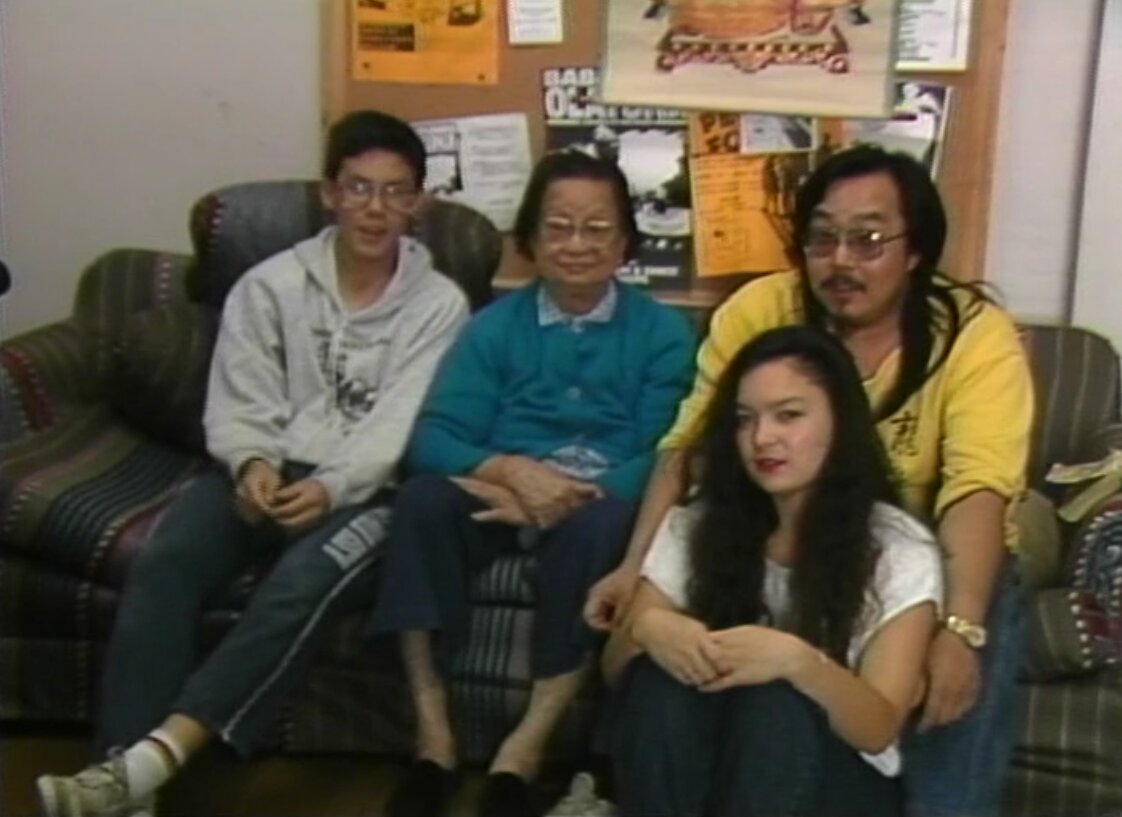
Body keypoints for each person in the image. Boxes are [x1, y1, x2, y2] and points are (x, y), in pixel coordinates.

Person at [36, 110, 471, 817]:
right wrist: (251, 463)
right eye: (359, 187)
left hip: (368, 494)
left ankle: (149, 763)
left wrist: (331, 487)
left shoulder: (440, 305)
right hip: (262, 472)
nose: (375, 208)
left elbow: (400, 422)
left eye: (395, 192)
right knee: (167, 557)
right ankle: (119, 782)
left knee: (297, 584)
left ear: (418, 204)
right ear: (329, 193)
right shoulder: (269, 285)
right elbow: (241, 395)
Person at [586, 145, 1034, 817]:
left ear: (916, 251)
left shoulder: (973, 334)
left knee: (973, 608)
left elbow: (978, 488)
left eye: (869, 239)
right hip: (769, 512)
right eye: (823, 238)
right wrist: (636, 577)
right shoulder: (761, 310)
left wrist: (958, 627)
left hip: (928, 527)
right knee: (665, 664)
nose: (842, 261)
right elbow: (690, 447)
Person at [368, 149, 695, 817]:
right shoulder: (491, 328)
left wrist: (569, 493)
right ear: (531, 240)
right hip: (497, 494)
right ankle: (433, 740)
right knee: (422, 501)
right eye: (558, 226)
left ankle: (524, 748)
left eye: (596, 227)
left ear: (625, 242)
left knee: (602, 526)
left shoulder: (664, 333)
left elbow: (664, 451)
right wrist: (513, 474)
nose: (576, 245)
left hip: (595, 503)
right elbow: (435, 438)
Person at [606, 325, 942, 816]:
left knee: (774, 702)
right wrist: (648, 628)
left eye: (789, 416)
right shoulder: (700, 521)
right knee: (657, 681)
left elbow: (879, 726)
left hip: (837, 785)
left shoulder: (898, 548)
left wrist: (801, 664)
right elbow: (617, 671)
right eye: (745, 420)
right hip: (710, 768)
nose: (763, 439)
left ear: (840, 423)